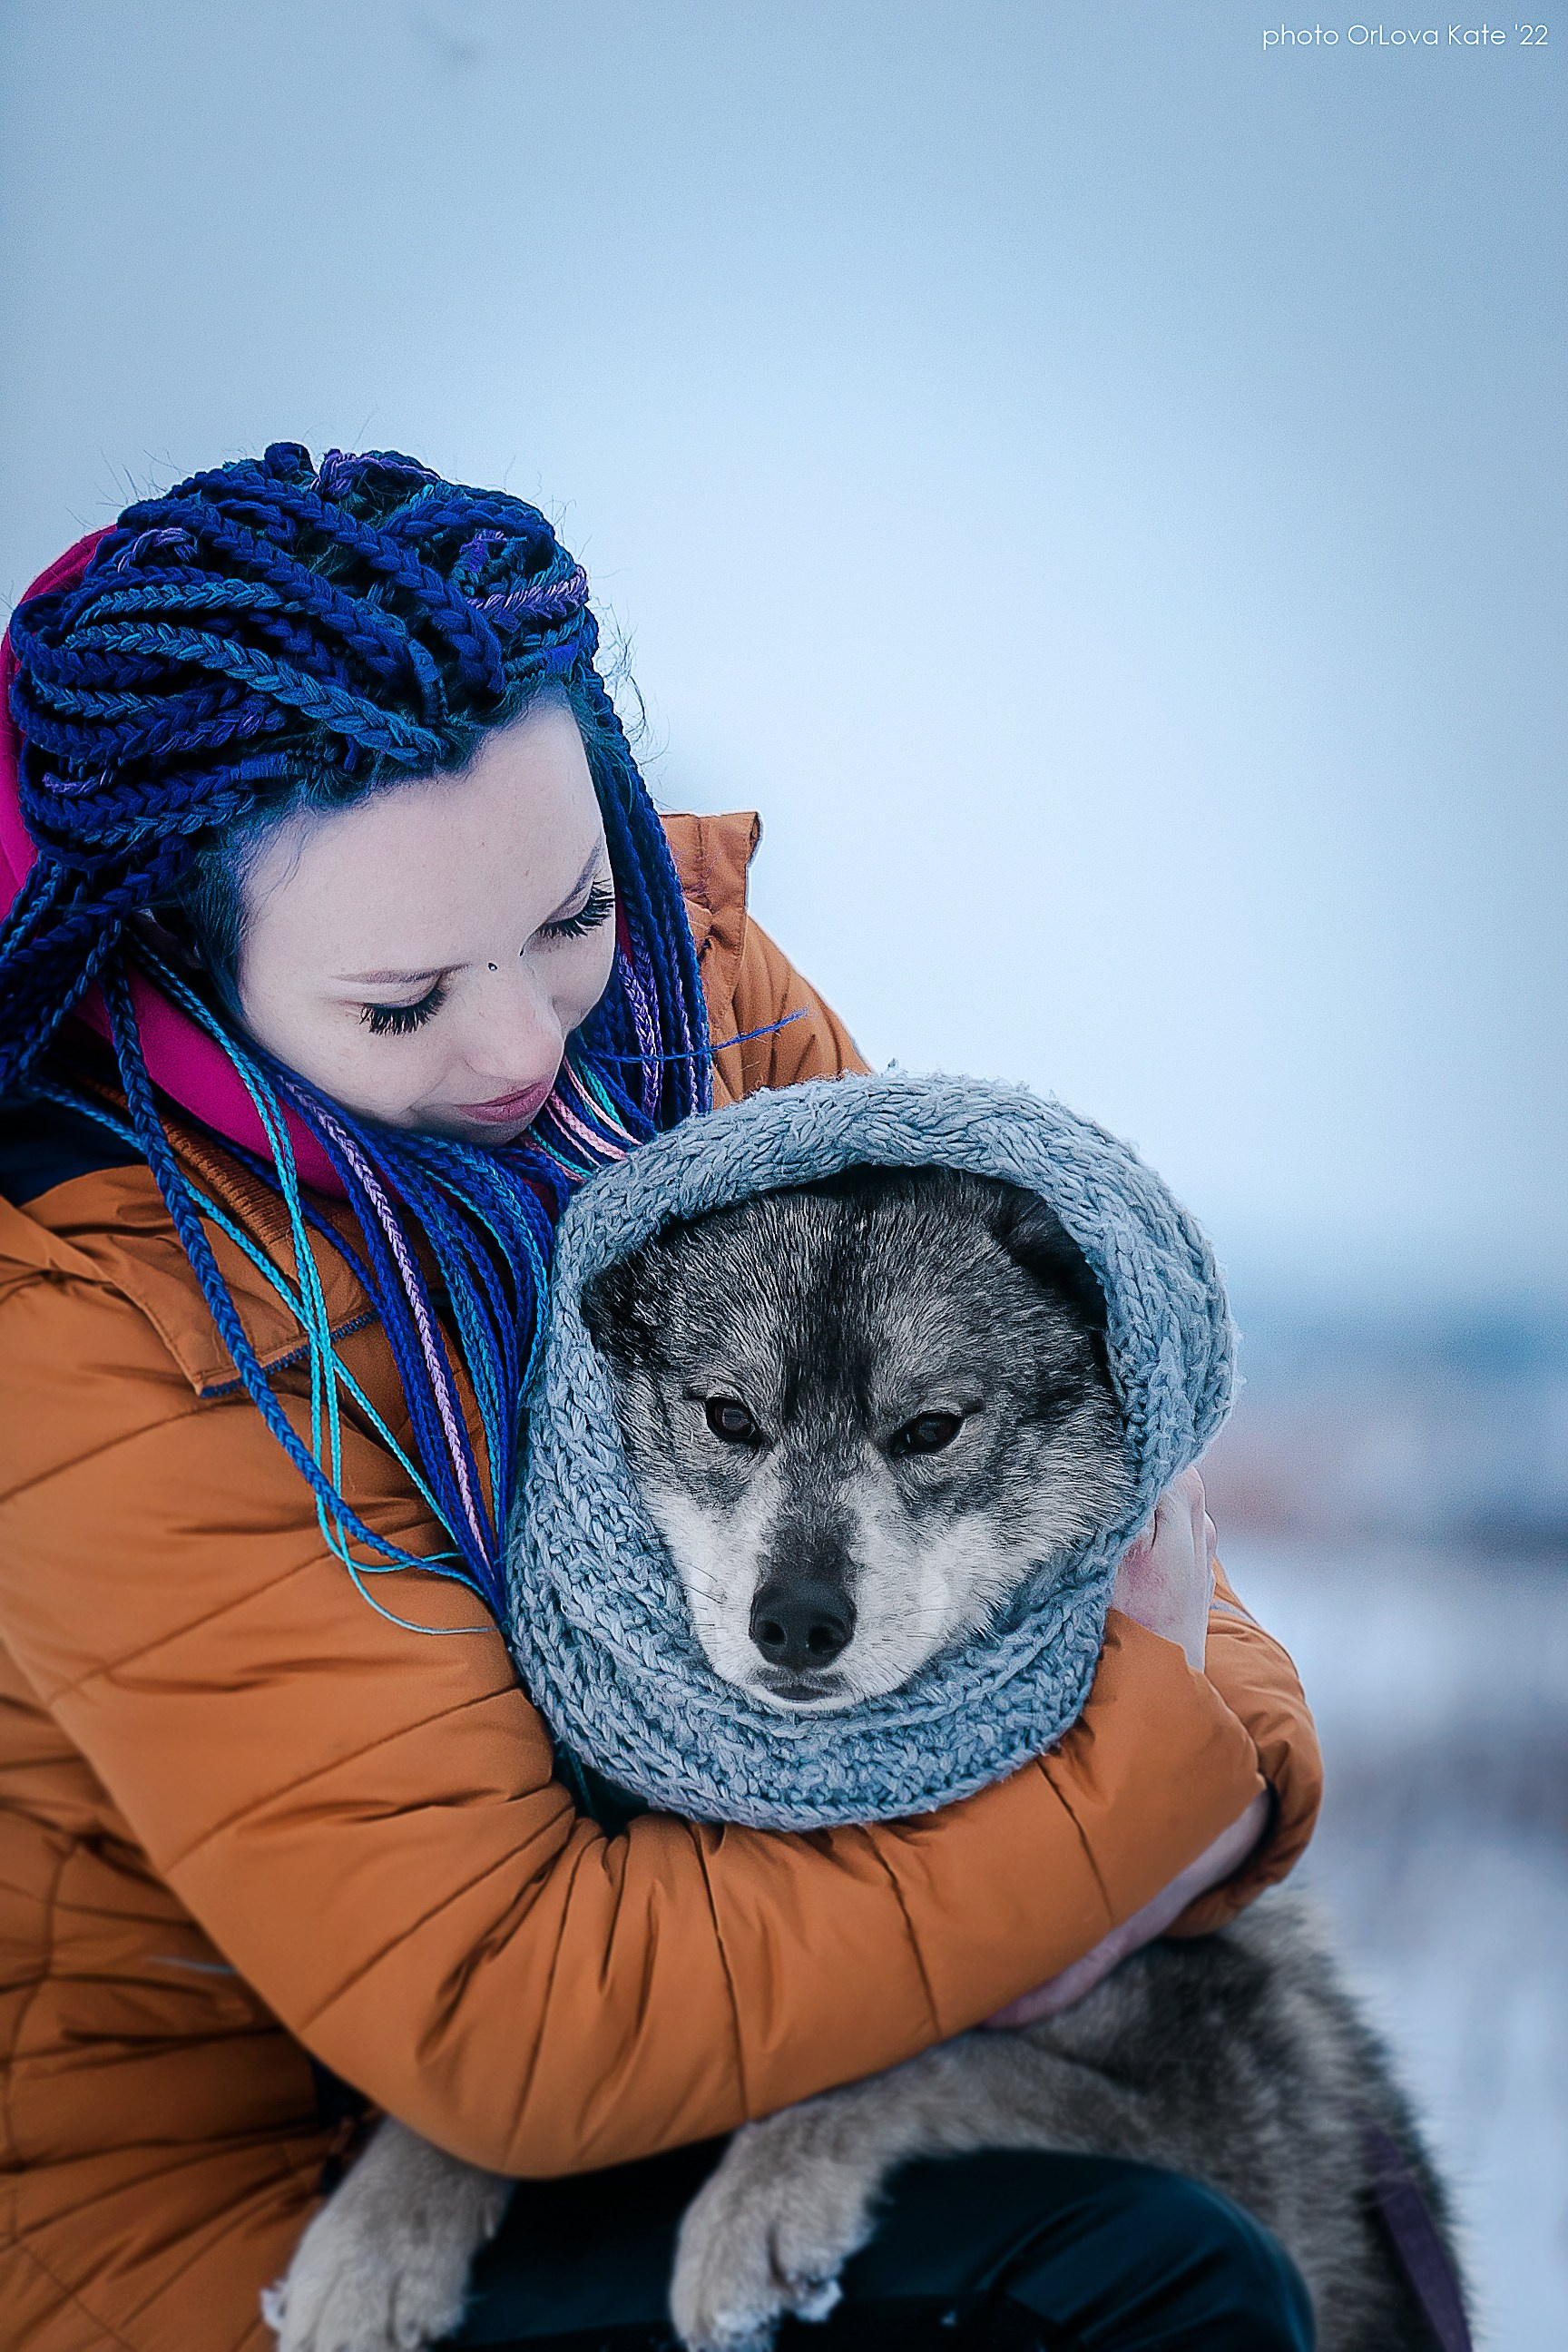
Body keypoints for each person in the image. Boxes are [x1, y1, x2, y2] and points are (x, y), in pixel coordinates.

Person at [0, 447, 1320, 2352]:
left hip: (695, 2023)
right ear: (176, 960)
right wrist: (1112, 1818)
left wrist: (1190, 1778)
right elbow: (509, 2020)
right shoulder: (95, 1313)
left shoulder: (694, 1008)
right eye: (403, 1004)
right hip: (227, 2218)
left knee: (1294, 2181)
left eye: (568, 913)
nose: (532, 1044)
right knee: (1139, 2281)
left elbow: (1125, 1538)